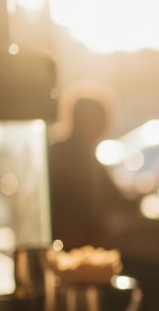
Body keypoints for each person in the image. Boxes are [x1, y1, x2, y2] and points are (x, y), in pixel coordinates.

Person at [48, 94, 130, 250]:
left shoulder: (72, 153)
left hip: (77, 243)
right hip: (75, 246)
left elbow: (115, 198)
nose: (106, 127)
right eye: (102, 120)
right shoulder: (77, 157)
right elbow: (117, 200)